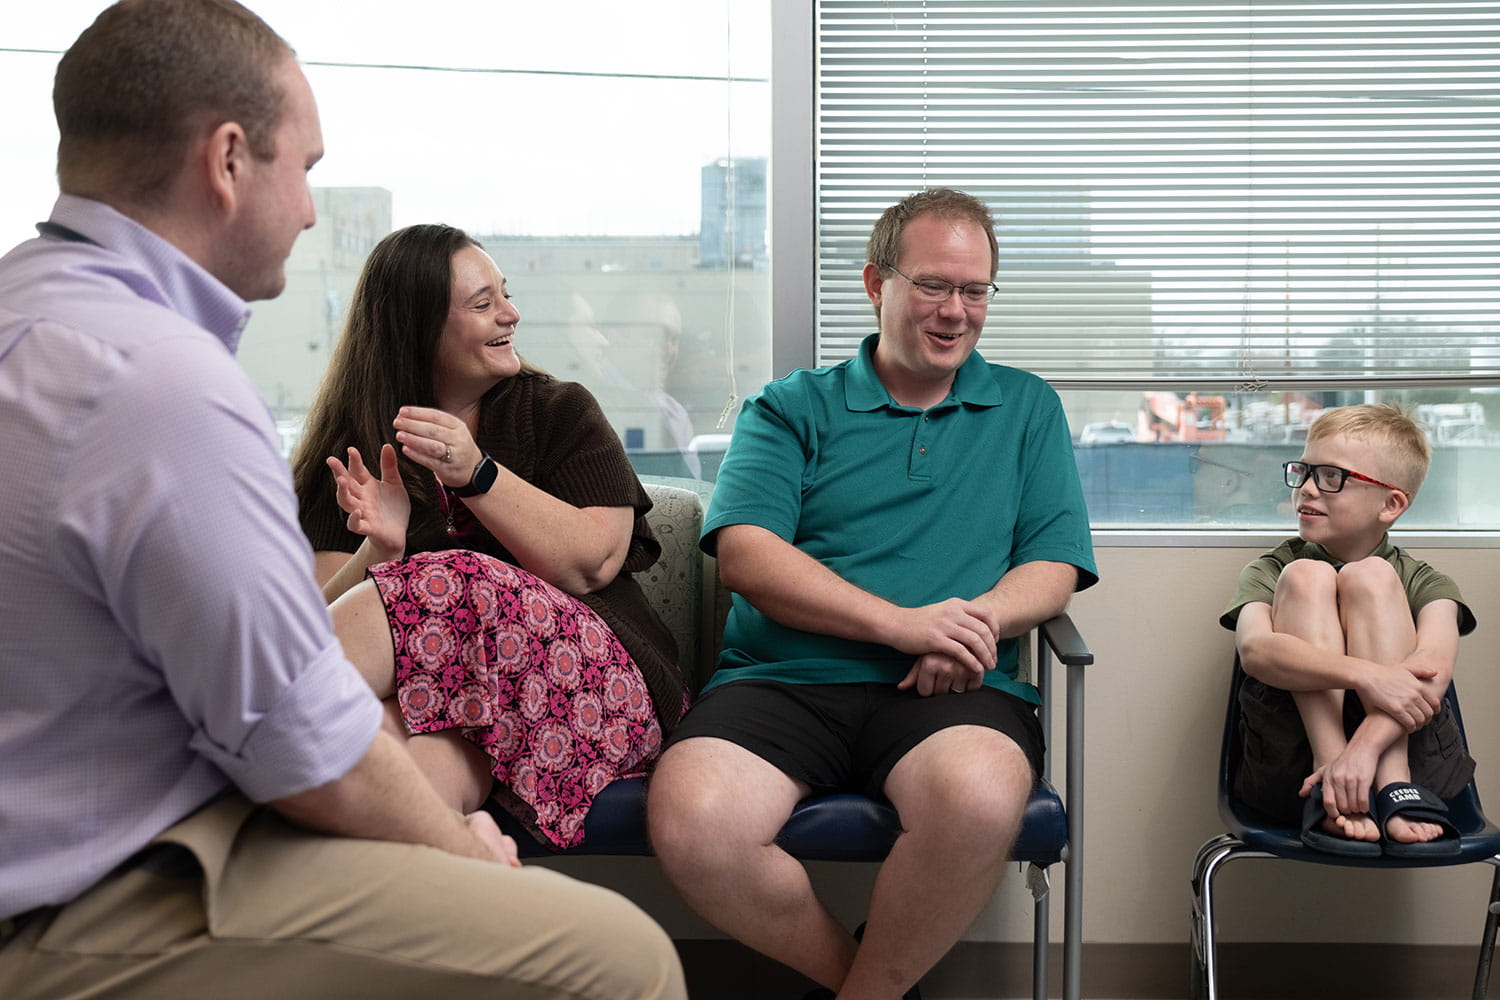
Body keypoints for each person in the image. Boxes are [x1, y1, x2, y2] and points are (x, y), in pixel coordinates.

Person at [0, 3, 685, 997]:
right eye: (307, 169)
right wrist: (457, 849)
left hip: (557, 692)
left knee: (446, 624)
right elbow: (294, 716)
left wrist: (474, 483)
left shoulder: (38, 314)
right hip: (101, 875)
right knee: (624, 960)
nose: (314, 210)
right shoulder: (160, 380)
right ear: (228, 162)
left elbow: (586, 563)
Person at [646, 188, 1098, 999]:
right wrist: (903, 627)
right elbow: (747, 555)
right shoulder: (788, 407)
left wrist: (970, 627)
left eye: (975, 290)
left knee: (977, 798)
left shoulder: (1028, 408)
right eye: (933, 285)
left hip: (953, 688)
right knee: (695, 824)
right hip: (783, 683)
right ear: (875, 283)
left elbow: (1053, 564)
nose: (955, 312)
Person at [291, 223, 688, 850]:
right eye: (483, 304)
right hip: (458, 710)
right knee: (366, 749)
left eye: (504, 294)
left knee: (455, 574)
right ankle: (467, 853)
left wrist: (478, 475)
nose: (511, 314)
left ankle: (239, 714)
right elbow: (311, 624)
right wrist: (382, 550)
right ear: (418, 327)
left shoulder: (559, 412)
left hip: (599, 694)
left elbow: (594, 562)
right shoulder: (349, 449)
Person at [1220, 404, 1474, 857]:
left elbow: (1433, 671)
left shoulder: (1426, 582)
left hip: (1412, 768)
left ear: (1392, 503)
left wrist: (1363, 755)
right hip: (1295, 772)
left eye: (1332, 476)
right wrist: (1366, 675)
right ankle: (1330, 759)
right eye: (1304, 471)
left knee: (1372, 576)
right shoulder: (1272, 568)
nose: (1307, 489)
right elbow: (1256, 651)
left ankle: (1385, 775)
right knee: (1305, 576)